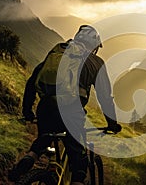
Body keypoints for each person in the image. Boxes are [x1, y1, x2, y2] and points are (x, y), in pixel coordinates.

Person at [8, 25, 121, 185]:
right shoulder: (96, 62)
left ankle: (28, 159)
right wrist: (112, 124)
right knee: (79, 162)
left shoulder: (58, 52)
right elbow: (105, 98)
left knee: (44, 139)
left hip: (45, 107)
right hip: (71, 113)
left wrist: (28, 112)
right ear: (94, 45)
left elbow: (33, 81)